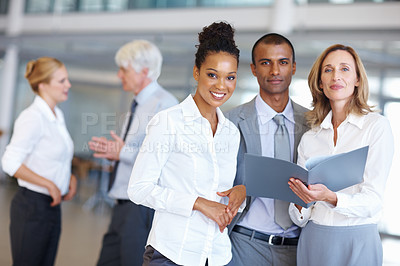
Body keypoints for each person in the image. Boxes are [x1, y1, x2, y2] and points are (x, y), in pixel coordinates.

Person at [127, 21, 246, 266]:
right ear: (196, 72)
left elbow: (220, 193)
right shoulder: (168, 122)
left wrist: (239, 195)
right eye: (212, 75)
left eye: (230, 77)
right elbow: (139, 189)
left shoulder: (231, 133)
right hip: (172, 254)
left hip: (216, 256)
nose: (221, 86)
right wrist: (198, 204)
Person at [288, 44, 394, 266]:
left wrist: (331, 197)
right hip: (314, 239)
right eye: (328, 70)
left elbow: (374, 201)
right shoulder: (310, 138)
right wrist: (300, 201)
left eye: (344, 69)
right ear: (320, 82)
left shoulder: (376, 127)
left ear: (357, 79)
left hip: (358, 241)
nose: (336, 75)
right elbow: (299, 215)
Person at [88, 40, 178, 266]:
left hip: (140, 206)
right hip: (122, 202)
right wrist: (116, 153)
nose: (119, 75)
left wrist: (123, 153)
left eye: (124, 70)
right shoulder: (139, 103)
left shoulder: (164, 105)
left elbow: (165, 159)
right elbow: (138, 151)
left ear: (144, 71)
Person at [225, 33, 309, 266]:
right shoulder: (230, 122)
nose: (274, 71)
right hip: (245, 245)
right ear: (253, 68)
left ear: (293, 67)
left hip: (297, 247)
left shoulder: (314, 123)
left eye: (282, 62)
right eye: (265, 63)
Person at [1, 57, 76, 266]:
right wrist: (49, 183)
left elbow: (53, 156)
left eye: (67, 79)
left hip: (52, 207)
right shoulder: (32, 117)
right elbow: (9, 162)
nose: (68, 85)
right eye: (62, 81)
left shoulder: (57, 115)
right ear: (43, 85)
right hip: (32, 207)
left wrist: (68, 177)